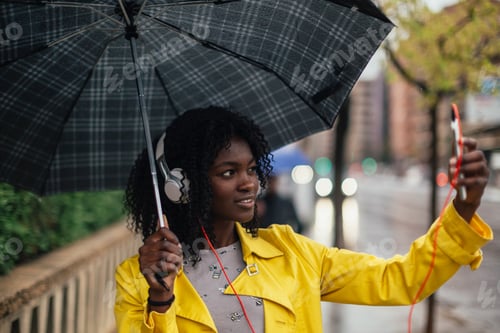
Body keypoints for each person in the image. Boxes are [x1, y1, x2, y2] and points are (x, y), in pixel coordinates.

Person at [115, 106, 493, 332]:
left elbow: (402, 279)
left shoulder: (291, 252)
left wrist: (462, 210)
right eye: (228, 172)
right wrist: (161, 300)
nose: (249, 183)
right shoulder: (138, 279)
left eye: (250, 169)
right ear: (183, 184)